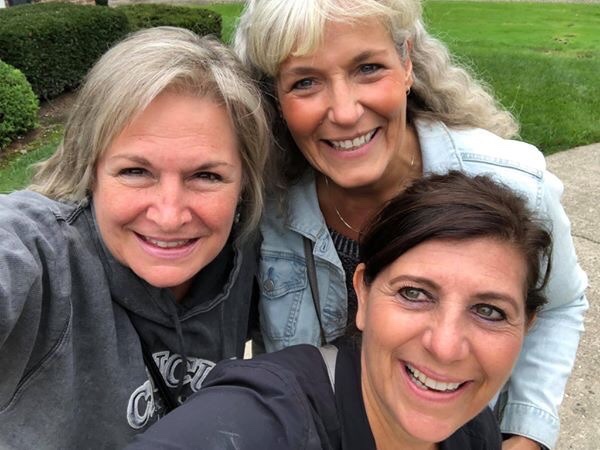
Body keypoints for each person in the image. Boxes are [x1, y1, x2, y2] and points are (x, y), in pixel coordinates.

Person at [233, 1, 588, 449]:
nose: (345, 112)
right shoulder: (261, 205)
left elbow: (560, 304)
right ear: (275, 98)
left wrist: (527, 432)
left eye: (368, 68)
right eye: (305, 82)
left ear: (406, 63)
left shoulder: (514, 184)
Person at [126, 171, 553, 450]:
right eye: (414, 293)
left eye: (489, 311)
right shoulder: (272, 413)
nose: (445, 346)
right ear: (362, 293)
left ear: (527, 327)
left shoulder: (473, 428)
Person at [0, 27, 269, 448]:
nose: (169, 215)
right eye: (135, 172)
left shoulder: (245, 255)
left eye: (206, 176)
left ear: (244, 186)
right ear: (89, 169)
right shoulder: (42, 256)